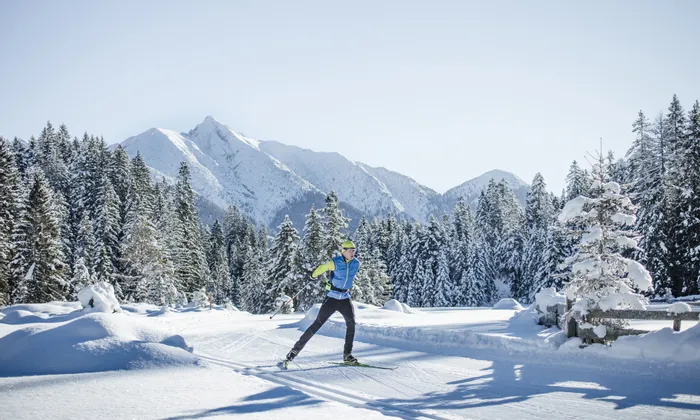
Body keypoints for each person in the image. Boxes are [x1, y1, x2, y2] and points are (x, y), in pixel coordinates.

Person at [284, 240, 361, 365]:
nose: (353, 253)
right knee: (317, 324)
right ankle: (294, 352)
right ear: (344, 251)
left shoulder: (356, 263)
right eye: (351, 250)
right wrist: (314, 275)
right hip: (332, 298)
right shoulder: (335, 262)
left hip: (345, 298)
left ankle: (347, 355)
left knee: (351, 324)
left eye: (354, 250)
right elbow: (322, 268)